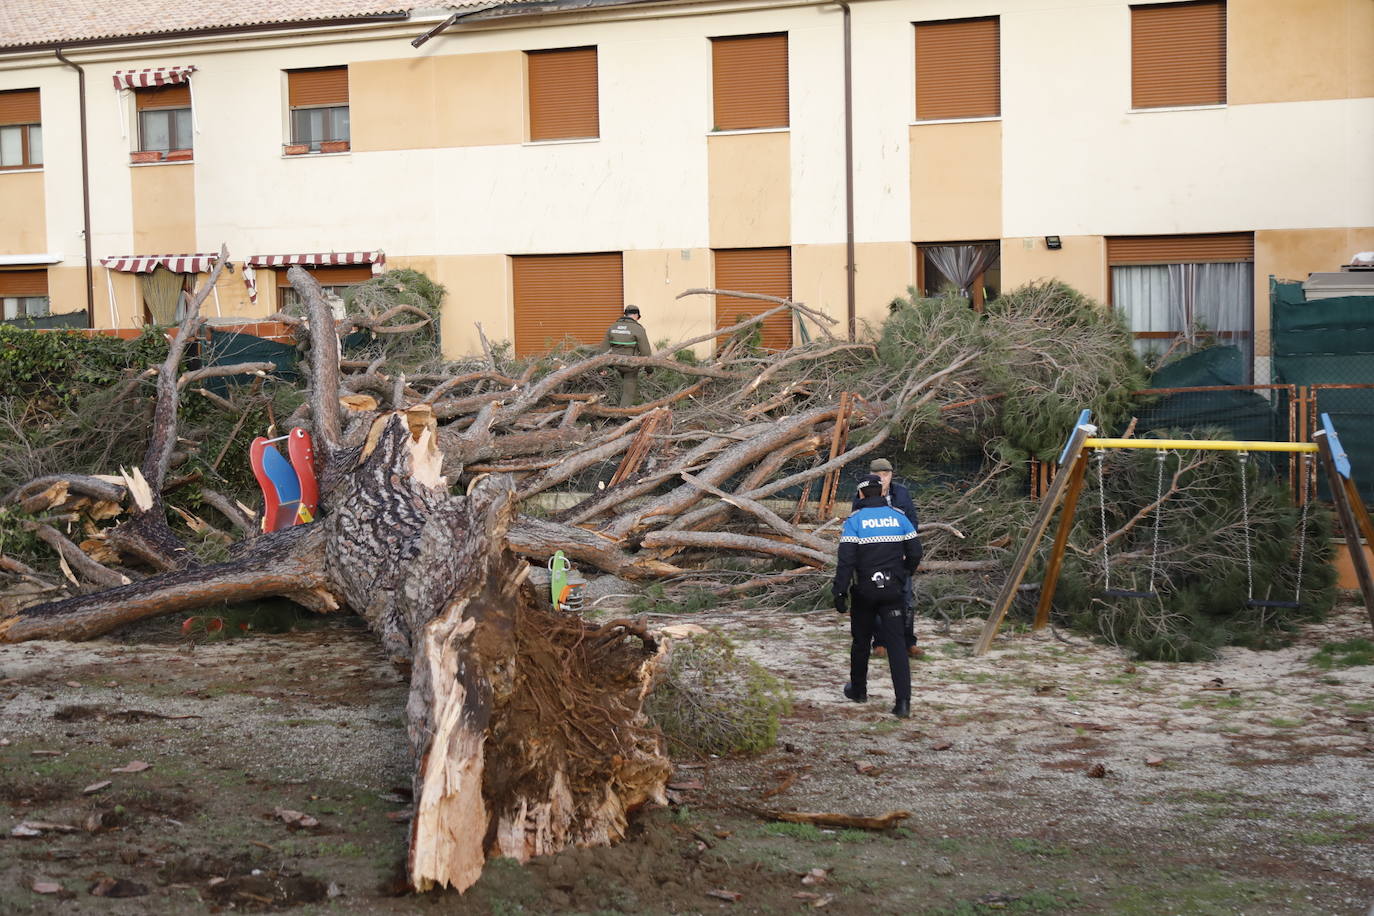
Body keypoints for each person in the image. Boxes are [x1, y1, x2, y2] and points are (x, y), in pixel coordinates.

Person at [833, 474, 923, 718]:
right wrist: (904, 573)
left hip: (864, 592)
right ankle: (903, 703)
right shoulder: (899, 517)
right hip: (893, 591)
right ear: (882, 493)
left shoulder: (855, 521)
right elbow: (915, 552)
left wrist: (839, 591)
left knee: (861, 643)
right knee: (897, 645)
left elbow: (846, 560)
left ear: (861, 494)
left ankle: (859, 691)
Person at [852, 458, 923, 659]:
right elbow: (856, 522)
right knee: (876, 598)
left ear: (891, 475)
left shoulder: (902, 493)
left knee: (906, 600)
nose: (882, 478)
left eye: (886, 474)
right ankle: (880, 642)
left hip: (899, 555)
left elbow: (912, 521)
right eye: (878, 475)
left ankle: (909, 642)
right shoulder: (862, 493)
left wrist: (906, 547)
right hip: (874, 557)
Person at [598, 305, 652, 407]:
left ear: (625, 314)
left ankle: (611, 406)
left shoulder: (612, 327)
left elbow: (603, 349)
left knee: (617, 387)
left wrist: (601, 368)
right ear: (636, 315)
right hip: (630, 366)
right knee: (628, 391)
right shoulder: (638, 329)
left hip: (615, 364)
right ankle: (622, 413)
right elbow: (646, 353)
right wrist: (649, 370)